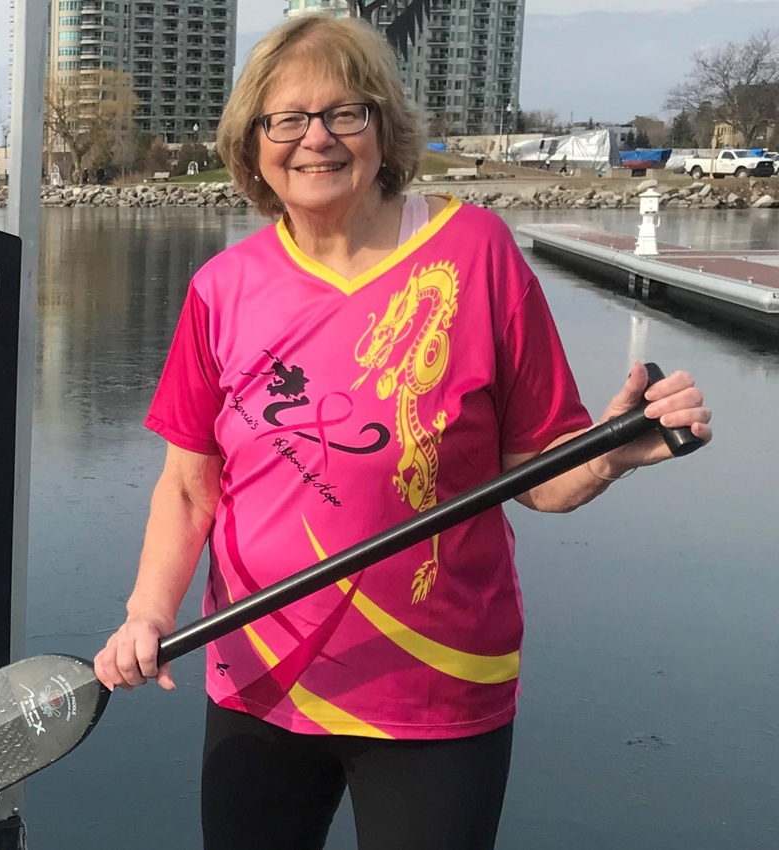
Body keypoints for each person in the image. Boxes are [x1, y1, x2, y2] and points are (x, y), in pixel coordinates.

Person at [93, 16, 712, 850]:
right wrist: (145, 612)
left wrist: (611, 454)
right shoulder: (220, 289)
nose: (316, 139)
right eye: (287, 120)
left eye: (345, 113)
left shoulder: (474, 253)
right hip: (259, 680)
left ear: (384, 128)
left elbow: (538, 477)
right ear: (253, 145)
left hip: (437, 688)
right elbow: (186, 484)